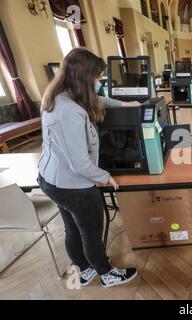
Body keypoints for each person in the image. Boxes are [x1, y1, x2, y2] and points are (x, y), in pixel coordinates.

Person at [38, 48, 139, 288]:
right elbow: (79, 163)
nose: (98, 81)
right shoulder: (69, 112)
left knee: (72, 228)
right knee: (91, 231)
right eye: (96, 77)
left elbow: (99, 99)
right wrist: (106, 177)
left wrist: (124, 105)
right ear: (83, 77)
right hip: (73, 185)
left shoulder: (60, 94)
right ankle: (106, 274)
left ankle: (84, 270)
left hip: (52, 180)